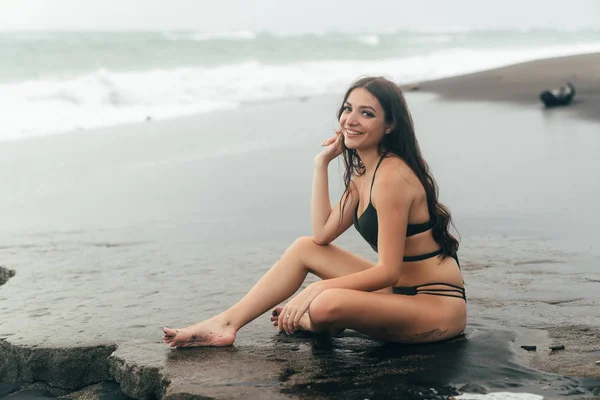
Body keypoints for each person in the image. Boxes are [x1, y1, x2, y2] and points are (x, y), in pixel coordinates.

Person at [162, 76, 466, 348]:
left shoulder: (392, 177)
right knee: (304, 247)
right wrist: (322, 163)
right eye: (348, 109)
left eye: (367, 113)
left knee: (323, 303)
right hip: (398, 292)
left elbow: (388, 270)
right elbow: (322, 234)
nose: (351, 120)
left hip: (434, 306)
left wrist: (316, 289)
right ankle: (226, 323)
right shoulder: (365, 174)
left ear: (389, 126)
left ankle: (315, 320)